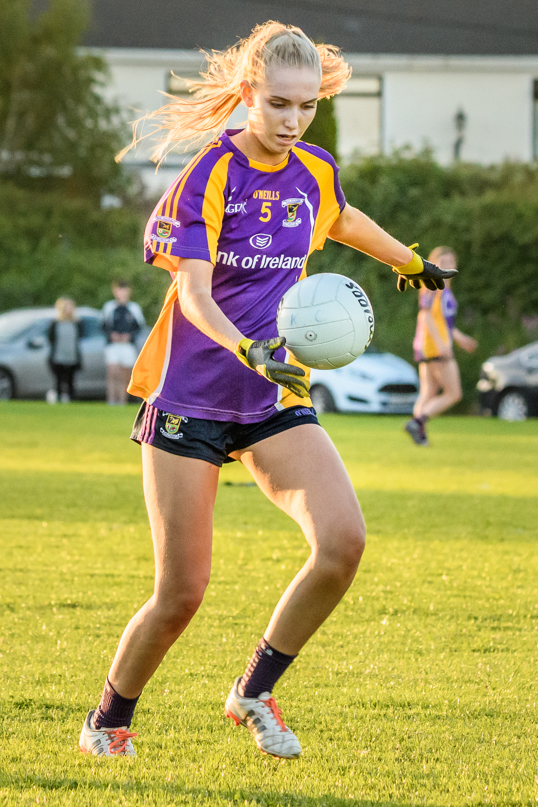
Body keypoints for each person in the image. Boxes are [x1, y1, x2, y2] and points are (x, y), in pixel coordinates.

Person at [79, 21, 456, 758]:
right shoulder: (211, 173)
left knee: (342, 542)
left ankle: (253, 689)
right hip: (191, 394)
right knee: (182, 593)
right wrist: (245, 344)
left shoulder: (313, 169)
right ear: (248, 94)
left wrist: (404, 259)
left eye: (307, 106)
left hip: (272, 395)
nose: (292, 120)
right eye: (279, 104)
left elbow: (339, 217)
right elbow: (191, 292)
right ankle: (108, 720)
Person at [405, 246, 478, 446]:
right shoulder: (432, 284)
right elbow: (425, 315)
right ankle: (417, 422)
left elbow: (444, 322)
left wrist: (460, 338)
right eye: (442, 262)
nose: (447, 266)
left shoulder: (445, 288)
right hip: (434, 346)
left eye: (450, 262)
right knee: (454, 393)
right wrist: (441, 344)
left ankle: (419, 433)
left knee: (428, 392)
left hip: (430, 345)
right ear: (433, 263)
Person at [102, 280, 146, 405]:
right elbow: (104, 326)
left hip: (127, 346)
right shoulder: (109, 307)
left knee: (124, 373)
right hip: (113, 345)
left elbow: (139, 328)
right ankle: (111, 400)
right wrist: (112, 335)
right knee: (112, 372)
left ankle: (122, 401)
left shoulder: (133, 308)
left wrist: (129, 336)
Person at [46, 297, 83, 404]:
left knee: (71, 381)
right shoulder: (56, 323)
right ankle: (58, 399)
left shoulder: (76, 323)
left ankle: (72, 400)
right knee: (58, 380)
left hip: (72, 356)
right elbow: (51, 339)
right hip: (58, 356)